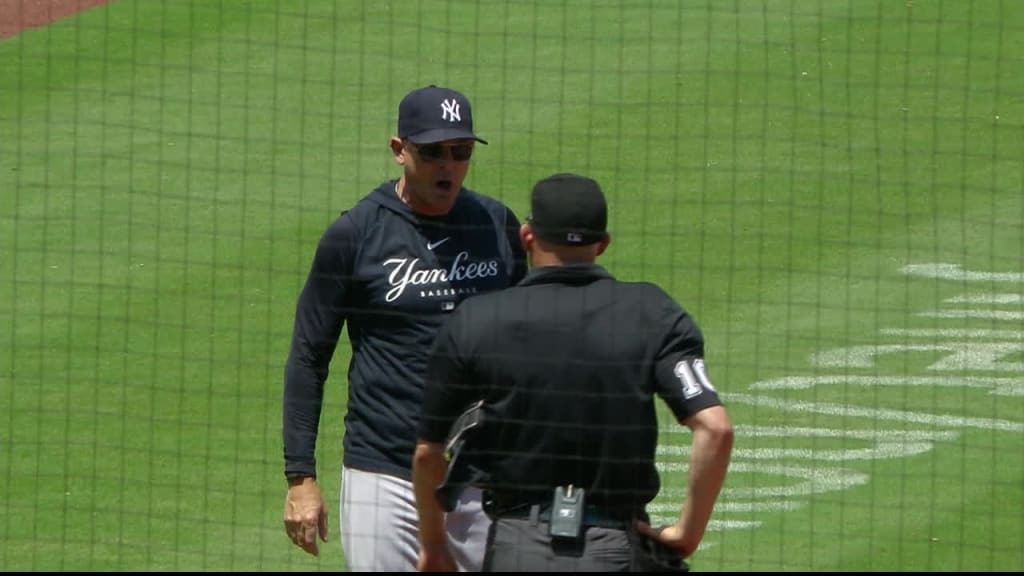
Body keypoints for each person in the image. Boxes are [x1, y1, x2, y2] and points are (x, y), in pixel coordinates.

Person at [412, 173, 734, 572]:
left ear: (527, 237)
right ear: (603, 243)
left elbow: (428, 454)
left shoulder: (477, 320)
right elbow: (716, 429)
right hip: (616, 547)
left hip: (517, 549)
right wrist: (688, 531)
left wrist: (434, 546)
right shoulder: (651, 313)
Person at [282, 85, 528, 571]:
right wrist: (300, 478)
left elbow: (530, 343)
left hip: (485, 475)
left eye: (460, 153)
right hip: (385, 474)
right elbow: (310, 355)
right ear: (399, 150)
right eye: (433, 152)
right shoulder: (356, 234)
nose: (448, 166)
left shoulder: (495, 225)